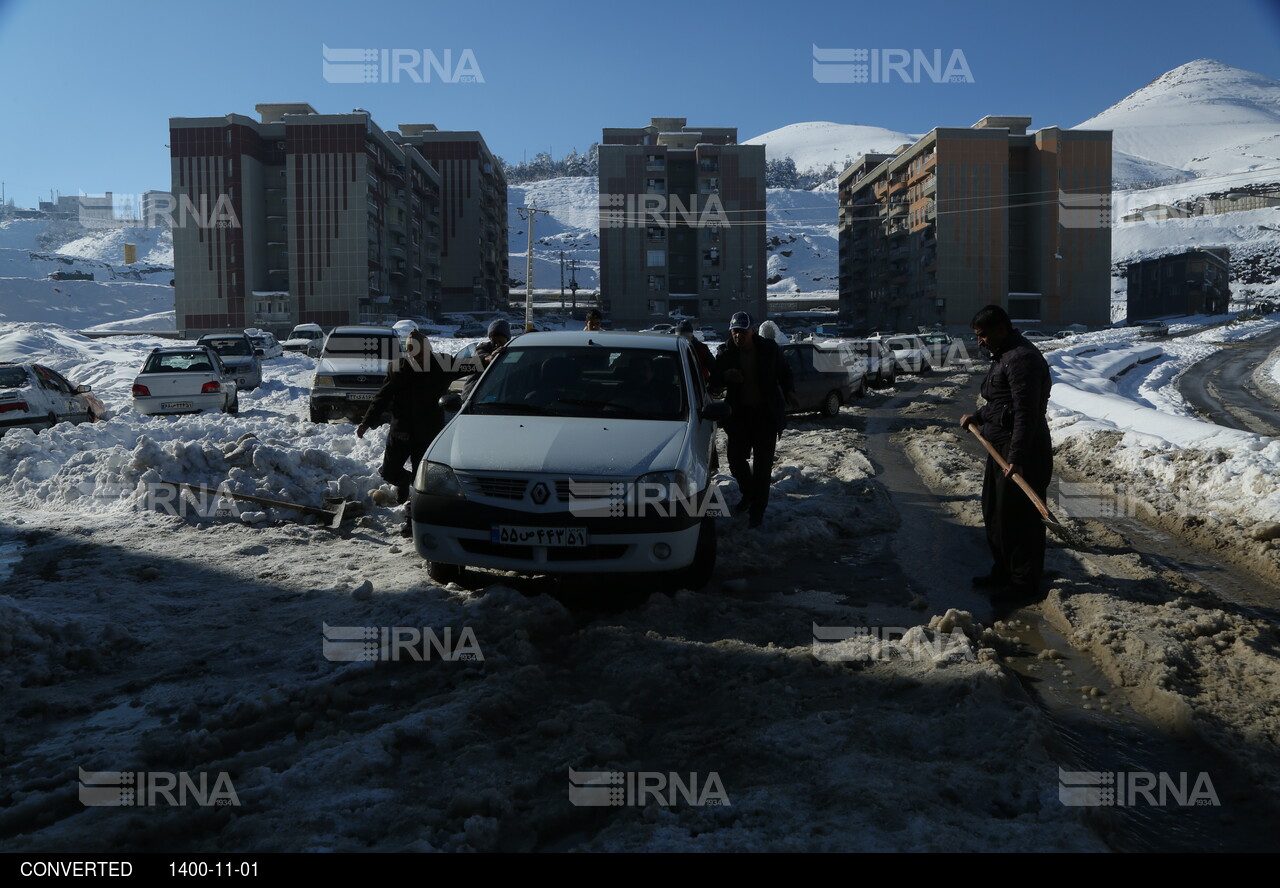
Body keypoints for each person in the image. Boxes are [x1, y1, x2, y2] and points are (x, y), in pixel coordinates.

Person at [959, 304, 1053, 604]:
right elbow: (1001, 404)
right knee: (996, 513)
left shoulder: (1022, 359)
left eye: (983, 335)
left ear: (1001, 328)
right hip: (1001, 446)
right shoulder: (1004, 356)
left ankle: (1024, 582)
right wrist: (977, 417)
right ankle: (1004, 571)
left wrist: (1017, 457)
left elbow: (1027, 414)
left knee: (1020, 518)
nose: (980, 342)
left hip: (1021, 449)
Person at [357, 331, 465, 537]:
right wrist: (366, 422)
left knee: (420, 480)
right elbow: (382, 397)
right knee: (388, 472)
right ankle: (403, 482)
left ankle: (410, 520)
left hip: (427, 433)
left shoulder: (443, 363)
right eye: (411, 354)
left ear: (428, 350)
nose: (416, 358)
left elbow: (473, 365)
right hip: (400, 431)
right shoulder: (397, 368)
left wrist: (489, 357)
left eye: (420, 354)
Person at [715, 312, 798, 529]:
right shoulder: (725, 353)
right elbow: (713, 381)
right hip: (739, 417)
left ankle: (757, 511)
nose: (737, 336)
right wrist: (726, 376)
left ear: (752, 330)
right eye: (734, 331)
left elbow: (785, 372)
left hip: (765, 416)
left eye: (742, 331)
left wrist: (789, 391)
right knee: (735, 460)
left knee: (763, 468)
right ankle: (750, 493)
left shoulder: (769, 350)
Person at [462, 318, 512, 398]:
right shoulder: (481, 348)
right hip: (474, 396)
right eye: (494, 341)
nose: (497, 345)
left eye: (500, 341)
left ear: (507, 339)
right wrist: (490, 358)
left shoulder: (511, 351)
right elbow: (481, 357)